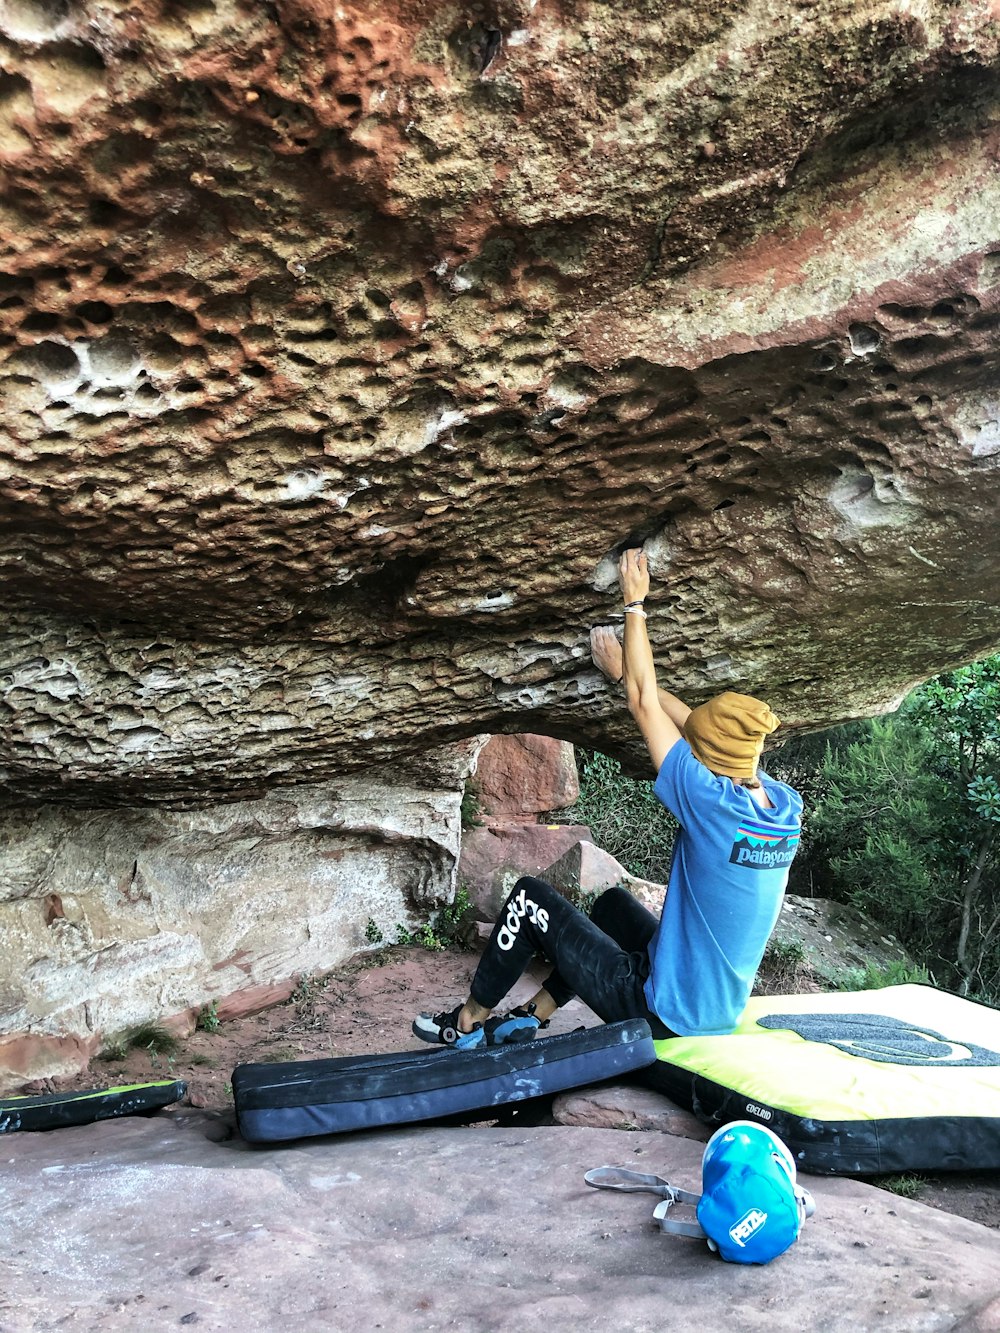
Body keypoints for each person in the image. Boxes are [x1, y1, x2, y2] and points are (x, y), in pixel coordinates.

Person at [412, 548, 803, 1050]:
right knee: (615, 906)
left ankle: (466, 1024)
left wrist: (635, 605)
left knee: (531, 898)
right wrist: (626, 674)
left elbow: (644, 701)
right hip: (712, 1008)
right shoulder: (779, 806)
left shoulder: (712, 807)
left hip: (657, 1011)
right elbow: (693, 729)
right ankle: (535, 1014)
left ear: (707, 761)